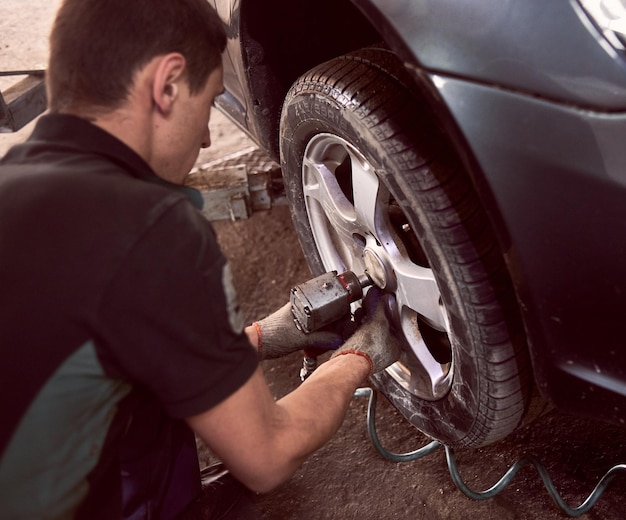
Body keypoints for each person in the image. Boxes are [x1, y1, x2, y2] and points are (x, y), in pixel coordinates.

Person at [0, 1, 401, 519]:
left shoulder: (14, 182)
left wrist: (257, 339)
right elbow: (270, 454)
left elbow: (87, 332)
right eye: (210, 102)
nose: (209, 137)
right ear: (167, 84)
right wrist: (360, 356)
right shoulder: (150, 223)